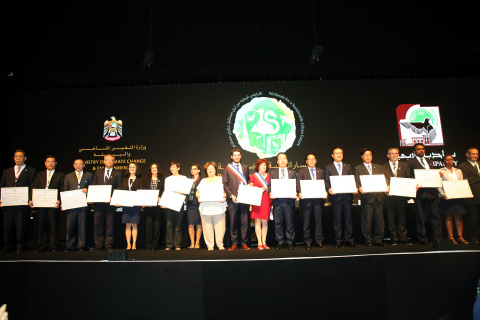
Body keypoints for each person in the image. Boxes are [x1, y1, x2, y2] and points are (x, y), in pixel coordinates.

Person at [0, 149, 36, 253]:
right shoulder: (7, 171)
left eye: (20, 156)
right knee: (7, 225)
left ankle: (20, 247)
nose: (18, 158)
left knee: (21, 226)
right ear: (14, 158)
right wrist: (1, 199)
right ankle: (7, 246)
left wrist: (30, 199)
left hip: (23, 204)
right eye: (16, 156)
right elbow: (2, 186)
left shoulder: (31, 170)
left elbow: (33, 186)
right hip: (8, 203)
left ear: (25, 158)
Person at [407, 143, 442, 244]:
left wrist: (437, 175)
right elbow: (409, 176)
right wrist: (416, 182)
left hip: (432, 192)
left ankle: (437, 237)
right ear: (414, 152)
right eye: (418, 149)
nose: (421, 150)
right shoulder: (410, 162)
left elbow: (433, 175)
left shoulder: (430, 162)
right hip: (420, 193)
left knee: (435, 216)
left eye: (422, 149)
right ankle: (422, 237)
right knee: (421, 217)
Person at [29, 155, 64, 252]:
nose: (51, 163)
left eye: (53, 161)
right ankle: (42, 245)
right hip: (41, 204)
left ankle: (54, 246)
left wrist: (59, 200)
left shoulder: (60, 175)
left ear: (56, 163)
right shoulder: (39, 174)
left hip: (54, 204)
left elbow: (62, 188)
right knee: (42, 226)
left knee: (54, 226)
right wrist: (31, 199)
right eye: (49, 161)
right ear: (45, 163)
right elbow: (33, 187)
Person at [325, 147, 358, 248]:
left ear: (342, 155)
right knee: (337, 220)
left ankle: (349, 239)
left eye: (340, 153)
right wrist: (329, 189)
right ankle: (338, 239)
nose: (339, 155)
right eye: (336, 153)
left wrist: (354, 187)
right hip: (336, 198)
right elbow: (326, 181)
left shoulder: (348, 166)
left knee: (348, 219)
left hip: (347, 197)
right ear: (332, 155)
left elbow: (352, 179)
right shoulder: (328, 167)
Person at [91, 154, 123, 251]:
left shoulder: (118, 173)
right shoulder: (98, 172)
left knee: (110, 225)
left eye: (111, 160)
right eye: (107, 160)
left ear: (114, 162)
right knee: (98, 225)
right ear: (104, 161)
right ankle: (98, 245)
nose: (109, 161)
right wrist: (92, 197)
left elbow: (119, 187)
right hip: (98, 204)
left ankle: (108, 245)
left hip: (110, 203)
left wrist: (112, 197)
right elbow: (93, 186)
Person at [354, 148, 385, 246]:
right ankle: (368, 239)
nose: (368, 156)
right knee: (366, 221)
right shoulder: (358, 168)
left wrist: (386, 186)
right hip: (367, 198)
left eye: (370, 155)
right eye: (366, 155)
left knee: (379, 220)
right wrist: (359, 187)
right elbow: (357, 182)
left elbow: (384, 180)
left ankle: (378, 239)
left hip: (378, 198)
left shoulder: (378, 167)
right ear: (362, 157)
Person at [62, 157, 93, 252]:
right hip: (71, 205)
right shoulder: (68, 176)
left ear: (84, 165)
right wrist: (63, 203)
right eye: (76, 164)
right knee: (70, 226)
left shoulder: (89, 175)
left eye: (80, 164)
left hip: (83, 205)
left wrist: (88, 191)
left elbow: (93, 188)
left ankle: (81, 245)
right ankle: (70, 245)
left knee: (82, 226)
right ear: (73, 165)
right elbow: (65, 190)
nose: (78, 165)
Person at [223, 148, 250, 251]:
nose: (237, 157)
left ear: (241, 156)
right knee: (233, 222)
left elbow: (246, 182)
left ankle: (244, 243)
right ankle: (234, 243)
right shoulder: (227, 168)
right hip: (232, 199)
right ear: (231, 157)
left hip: (244, 199)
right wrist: (231, 195)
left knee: (245, 222)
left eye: (238, 155)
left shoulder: (246, 167)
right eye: (235, 155)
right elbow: (224, 184)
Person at [382, 147, 412, 245]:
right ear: (388, 155)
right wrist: (386, 187)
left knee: (402, 217)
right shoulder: (383, 167)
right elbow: (382, 180)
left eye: (396, 153)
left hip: (401, 196)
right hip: (389, 197)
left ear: (398, 155)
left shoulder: (405, 165)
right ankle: (394, 238)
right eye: (392, 153)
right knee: (391, 218)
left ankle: (403, 237)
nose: (394, 155)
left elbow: (409, 178)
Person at [296, 152, 326, 249]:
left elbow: (324, 184)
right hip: (306, 201)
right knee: (306, 222)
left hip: (318, 200)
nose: (311, 161)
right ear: (306, 161)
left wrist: (325, 192)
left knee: (319, 222)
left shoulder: (321, 171)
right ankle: (307, 241)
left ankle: (319, 240)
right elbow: (298, 184)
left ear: (316, 161)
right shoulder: (301, 171)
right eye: (309, 159)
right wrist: (300, 192)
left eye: (313, 159)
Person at [268, 152, 297, 250]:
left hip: (289, 202)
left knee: (289, 223)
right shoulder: (272, 173)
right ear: (277, 162)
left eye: (284, 158)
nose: (283, 160)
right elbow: (269, 185)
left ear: (287, 161)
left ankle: (290, 241)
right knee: (278, 223)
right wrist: (270, 193)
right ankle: (280, 241)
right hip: (277, 202)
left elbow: (296, 185)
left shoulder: (292, 173)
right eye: (280, 158)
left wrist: (295, 192)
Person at [438, 154, 469, 244]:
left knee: (458, 216)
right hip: (447, 196)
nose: (449, 161)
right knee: (449, 216)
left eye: (451, 159)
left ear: (453, 160)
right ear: (443, 161)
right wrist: (442, 193)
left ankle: (460, 236)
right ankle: (450, 237)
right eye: (447, 160)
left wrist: (464, 192)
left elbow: (462, 182)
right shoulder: (440, 171)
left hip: (458, 196)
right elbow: (438, 184)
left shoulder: (458, 170)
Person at [197, 162, 227, 250]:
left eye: (212, 168)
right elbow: (197, 192)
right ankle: (210, 245)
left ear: (215, 170)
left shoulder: (221, 179)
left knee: (220, 227)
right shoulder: (203, 181)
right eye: (208, 169)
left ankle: (220, 244)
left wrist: (224, 196)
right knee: (207, 227)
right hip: (206, 208)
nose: (210, 170)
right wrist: (198, 196)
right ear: (206, 171)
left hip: (218, 207)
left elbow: (226, 192)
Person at [115, 162, 144, 251]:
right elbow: (121, 192)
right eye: (130, 167)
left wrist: (142, 202)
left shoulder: (140, 180)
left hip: (135, 205)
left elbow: (141, 191)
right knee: (127, 225)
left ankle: (134, 244)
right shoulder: (124, 179)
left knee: (134, 224)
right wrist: (118, 201)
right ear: (128, 169)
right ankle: (128, 244)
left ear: (136, 169)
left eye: (134, 167)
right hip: (126, 205)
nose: (132, 168)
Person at [458, 147, 480, 244]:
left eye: (476, 154)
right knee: (473, 219)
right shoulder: (462, 166)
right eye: (473, 154)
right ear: (467, 155)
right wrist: (478, 178)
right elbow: (465, 180)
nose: (475, 155)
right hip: (472, 197)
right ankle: (474, 237)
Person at [162, 161, 187, 250]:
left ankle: (177, 245)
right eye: (171, 167)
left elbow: (186, 190)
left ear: (178, 168)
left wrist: (182, 191)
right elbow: (166, 191)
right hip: (169, 204)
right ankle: (169, 245)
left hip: (179, 203)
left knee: (178, 225)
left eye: (173, 167)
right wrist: (164, 203)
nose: (172, 168)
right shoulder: (167, 179)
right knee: (169, 224)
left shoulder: (184, 178)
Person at [249, 159, 271, 250]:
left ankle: (264, 242)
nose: (263, 167)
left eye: (265, 165)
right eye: (261, 165)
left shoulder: (270, 176)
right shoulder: (253, 176)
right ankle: (259, 242)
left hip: (266, 200)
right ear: (258, 167)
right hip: (256, 201)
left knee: (265, 221)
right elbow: (250, 188)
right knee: (257, 222)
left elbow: (273, 188)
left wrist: (267, 189)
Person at [144, 163, 164, 251]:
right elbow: (143, 192)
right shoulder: (146, 180)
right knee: (149, 225)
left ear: (158, 169)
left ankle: (155, 245)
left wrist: (160, 197)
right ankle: (148, 245)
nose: (154, 169)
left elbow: (163, 191)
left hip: (157, 205)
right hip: (148, 205)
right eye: (152, 168)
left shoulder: (162, 180)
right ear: (150, 170)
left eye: (156, 168)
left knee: (157, 225)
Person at [187, 164, 202, 249]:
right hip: (190, 204)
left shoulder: (202, 181)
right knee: (190, 224)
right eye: (191, 169)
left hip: (199, 203)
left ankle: (197, 242)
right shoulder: (188, 181)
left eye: (195, 169)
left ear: (199, 170)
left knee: (198, 224)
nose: (192, 170)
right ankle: (192, 242)